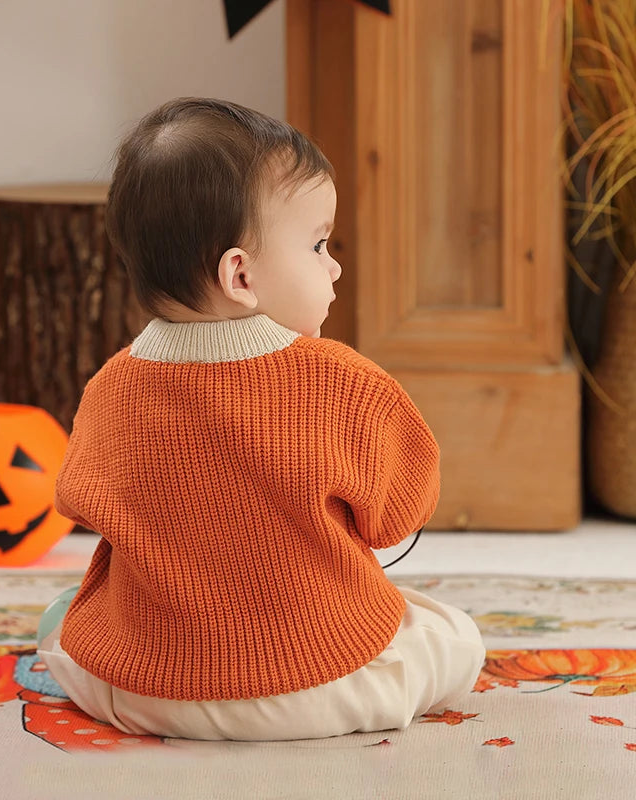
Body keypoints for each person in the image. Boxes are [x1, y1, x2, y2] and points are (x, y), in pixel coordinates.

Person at [37, 97, 485, 741]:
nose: (334, 266)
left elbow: (79, 501)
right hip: (325, 683)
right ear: (240, 275)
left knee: (67, 627)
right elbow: (396, 517)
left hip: (147, 692)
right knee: (451, 636)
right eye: (319, 244)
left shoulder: (111, 387)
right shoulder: (345, 382)